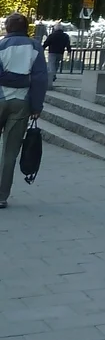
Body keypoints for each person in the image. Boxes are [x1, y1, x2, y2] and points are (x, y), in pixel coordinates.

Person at [0, 12, 49, 209]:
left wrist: (8, 78)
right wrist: (36, 106)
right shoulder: (35, 47)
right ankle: (1, 196)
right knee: (10, 152)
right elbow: (40, 79)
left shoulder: (1, 46)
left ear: (7, 27)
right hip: (22, 103)